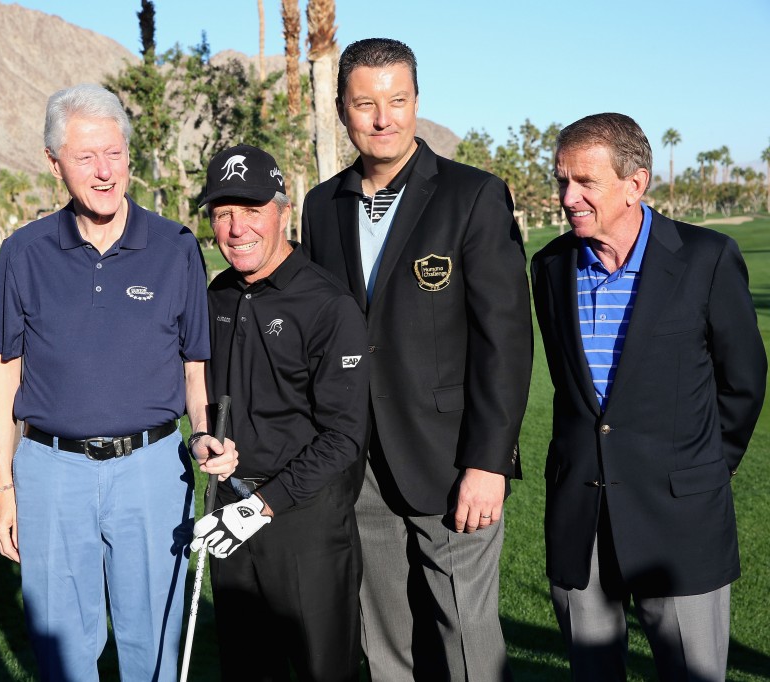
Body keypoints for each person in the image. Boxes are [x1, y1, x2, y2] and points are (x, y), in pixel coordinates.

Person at [0, 83, 234, 682]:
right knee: (63, 648)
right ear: (54, 164)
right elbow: (3, 375)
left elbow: (194, 366)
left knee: (154, 637)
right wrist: (3, 487)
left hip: (151, 470)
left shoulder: (175, 247)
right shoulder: (24, 252)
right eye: (85, 156)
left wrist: (203, 436)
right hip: (50, 470)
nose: (104, 172)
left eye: (114, 153)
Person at [301, 38, 533, 680]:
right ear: (342, 112)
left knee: (465, 635)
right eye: (366, 104)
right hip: (360, 466)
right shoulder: (322, 206)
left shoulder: (473, 196)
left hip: (451, 461)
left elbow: (506, 342)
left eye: (398, 101)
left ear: (417, 103)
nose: (384, 118)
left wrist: (489, 462)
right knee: (385, 642)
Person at [531, 112, 766, 681]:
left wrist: (705, 466)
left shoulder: (707, 258)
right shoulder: (549, 266)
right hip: (580, 516)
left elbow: (744, 380)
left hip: (679, 519)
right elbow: (570, 388)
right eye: (563, 180)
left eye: (586, 182)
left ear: (636, 184)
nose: (568, 197)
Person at [189, 144, 370, 681]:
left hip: (303, 520)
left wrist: (262, 507)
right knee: (247, 667)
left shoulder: (327, 304)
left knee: (320, 669)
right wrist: (201, 437)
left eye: (250, 210)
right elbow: (200, 389)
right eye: (222, 213)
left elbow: (344, 436)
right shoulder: (217, 295)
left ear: (282, 210)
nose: (236, 228)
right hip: (230, 508)